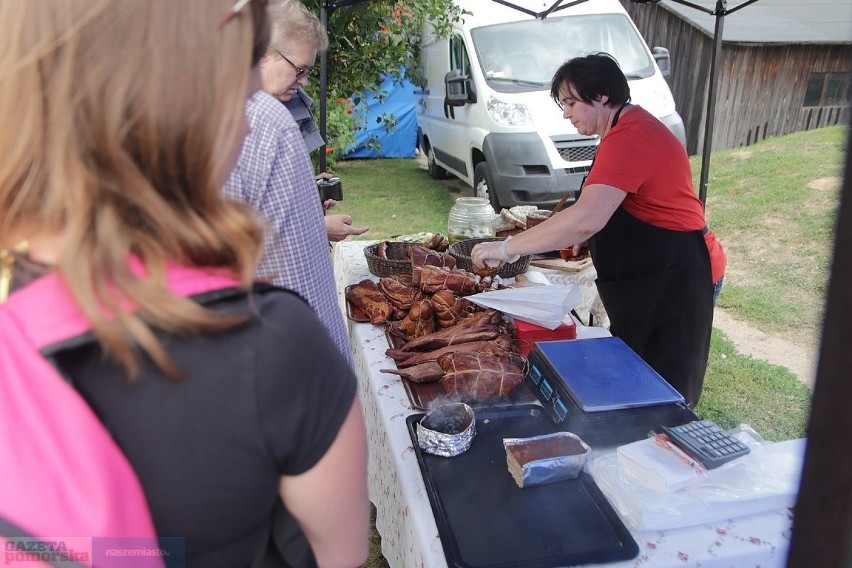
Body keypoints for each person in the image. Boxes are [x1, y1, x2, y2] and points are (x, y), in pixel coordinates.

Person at [0, 2, 369, 567]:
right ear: (184, 102)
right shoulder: (274, 349)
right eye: (240, 97)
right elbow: (337, 555)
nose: (251, 120)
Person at [472, 53, 726, 408]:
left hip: (678, 280)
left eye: (571, 102)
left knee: (663, 393)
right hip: (651, 278)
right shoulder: (619, 131)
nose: (565, 112)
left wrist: (505, 248)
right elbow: (607, 213)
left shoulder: (632, 136)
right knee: (635, 380)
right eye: (563, 104)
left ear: (603, 94)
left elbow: (585, 217)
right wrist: (593, 241)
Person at [261, 0, 368, 242]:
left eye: (307, 72)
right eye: (299, 70)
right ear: (266, 54)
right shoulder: (238, 122)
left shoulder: (276, 108)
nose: (304, 81)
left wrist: (307, 188)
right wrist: (317, 226)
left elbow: (268, 198)